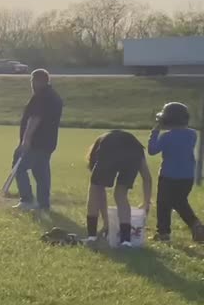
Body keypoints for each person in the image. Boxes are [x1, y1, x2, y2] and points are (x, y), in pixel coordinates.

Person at [85, 129, 152, 248]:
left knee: (95, 188)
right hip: (133, 152)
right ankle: (126, 241)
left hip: (110, 147)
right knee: (120, 194)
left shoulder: (100, 145)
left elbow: (99, 189)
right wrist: (146, 202)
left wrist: (106, 222)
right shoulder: (136, 147)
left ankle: (91, 236)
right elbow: (147, 177)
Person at [148, 102, 204, 242]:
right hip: (187, 177)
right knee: (179, 201)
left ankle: (163, 233)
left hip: (168, 176)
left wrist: (156, 130)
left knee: (163, 204)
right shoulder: (192, 134)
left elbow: (152, 150)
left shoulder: (167, 136)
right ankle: (196, 225)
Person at [13, 69, 63, 211]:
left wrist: (26, 140)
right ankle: (43, 204)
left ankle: (27, 199)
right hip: (48, 142)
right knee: (41, 172)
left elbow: (35, 118)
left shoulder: (41, 97)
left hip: (35, 142)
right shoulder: (55, 97)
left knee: (19, 167)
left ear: (37, 81)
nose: (31, 84)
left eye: (32, 81)